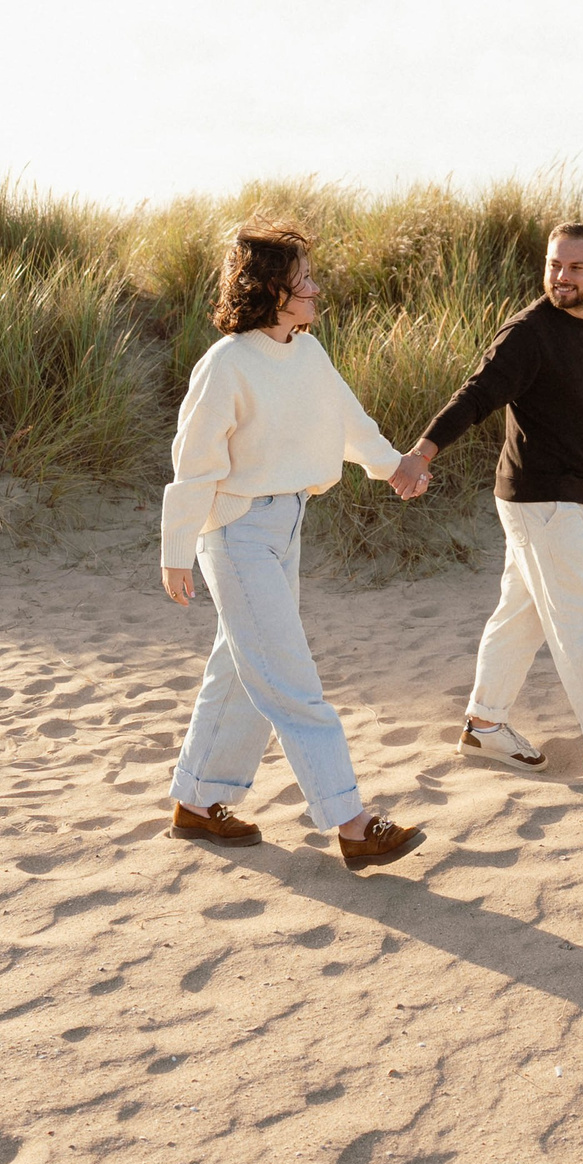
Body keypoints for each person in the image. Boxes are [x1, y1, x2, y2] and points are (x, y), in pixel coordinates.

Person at [160, 221, 426, 871]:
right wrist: (176, 548)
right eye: (302, 277)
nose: (313, 286)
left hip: (288, 526)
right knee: (288, 677)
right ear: (270, 289)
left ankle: (196, 801)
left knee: (241, 667)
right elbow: (194, 463)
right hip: (236, 531)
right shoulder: (226, 363)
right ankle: (352, 822)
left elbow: (346, 417)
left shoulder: (307, 352)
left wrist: (391, 464)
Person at [388, 222, 583, 784]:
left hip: (563, 496)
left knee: (521, 616)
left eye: (574, 268)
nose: (561, 278)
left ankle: (484, 724)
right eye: (553, 265)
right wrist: (422, 452)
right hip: (538, 496)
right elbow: (476, 394)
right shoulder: (528, 333)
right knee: (578, 615)